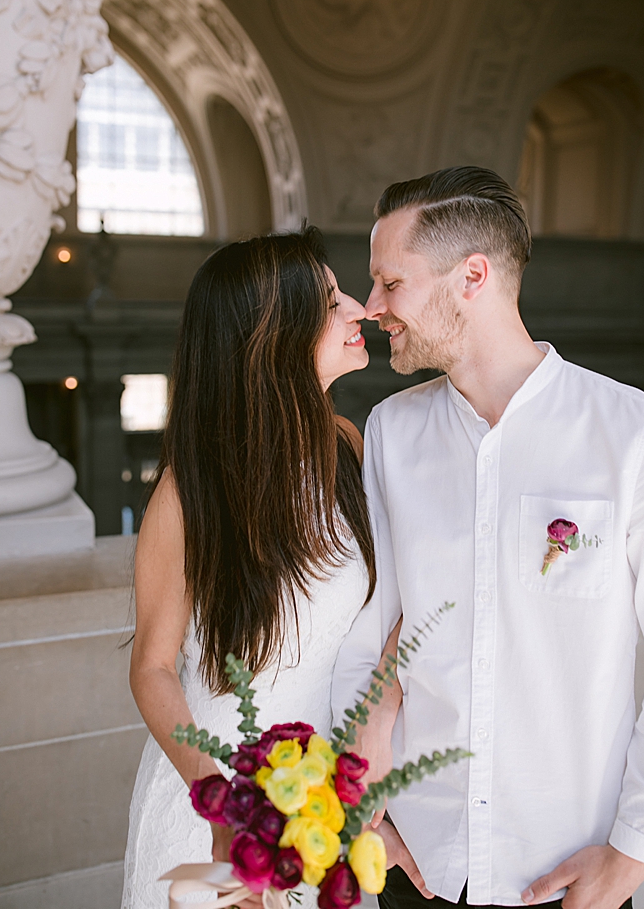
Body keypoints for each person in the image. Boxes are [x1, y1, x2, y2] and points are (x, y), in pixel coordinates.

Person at [333, 166, 644, 908]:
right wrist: (363, 807)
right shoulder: (394, 433)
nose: (371, 308)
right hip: (420, 865)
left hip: (565, 876)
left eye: (390, 283)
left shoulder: (637, 436)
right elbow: (363, 638)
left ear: (473, 275)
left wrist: (633, 854)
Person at [123, 228, 396, 909]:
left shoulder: (348, 447)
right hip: (217, 806)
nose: (359, 308)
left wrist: (373, 747)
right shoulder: (189, 493)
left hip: (331, 798)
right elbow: (152, 667)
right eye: (331, 302)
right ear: (273, 333)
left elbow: (394, 613)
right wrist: (220, 806)